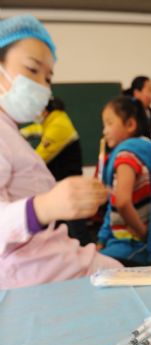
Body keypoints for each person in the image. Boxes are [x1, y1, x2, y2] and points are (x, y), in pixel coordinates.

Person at [0, 14, 120, 289]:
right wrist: (44, 206)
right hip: (34, 278)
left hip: (59, 262)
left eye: (48, 77)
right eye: (32, 70)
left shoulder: (12, 132)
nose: (42, 85)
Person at [97, 95, 151, 266]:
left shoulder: (126, 155)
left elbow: (122, 202)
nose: (104, 131)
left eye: (109, 123)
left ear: (130, 125)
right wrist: (102, 240)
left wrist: (143, 233)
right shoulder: (143, 151)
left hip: (131, 247)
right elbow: (113, 205)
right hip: (127, 245)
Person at [21, 96, 91, 246]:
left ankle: (93, 268)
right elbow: (36, 128)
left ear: (45, 110)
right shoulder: (53, 120)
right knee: (68, 232)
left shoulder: (58, 126)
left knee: (77, 234)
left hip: (69, 187)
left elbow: (39, 158)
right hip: (62, 186)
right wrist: (21, 133)